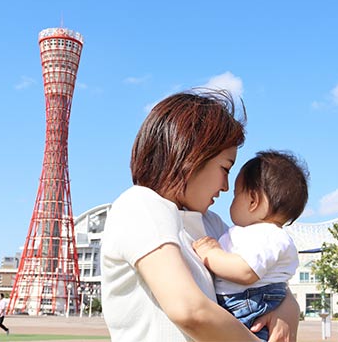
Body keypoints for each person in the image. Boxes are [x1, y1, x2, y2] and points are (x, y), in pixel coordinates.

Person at [101, 90, 300, 342]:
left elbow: (265, 278)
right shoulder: (141, 204)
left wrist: (288, 308)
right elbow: (189, 310)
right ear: (191, 155)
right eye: (225, 168)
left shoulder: (212, 224)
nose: (226, 186)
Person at [192, 150, 308, 340]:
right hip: (248, 304)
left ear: (253, 201)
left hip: (248, 306)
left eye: (236, 195)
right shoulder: (258, 234)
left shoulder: (267, 235)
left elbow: (245, 271)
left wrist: (211, 254)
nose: (227, 192)